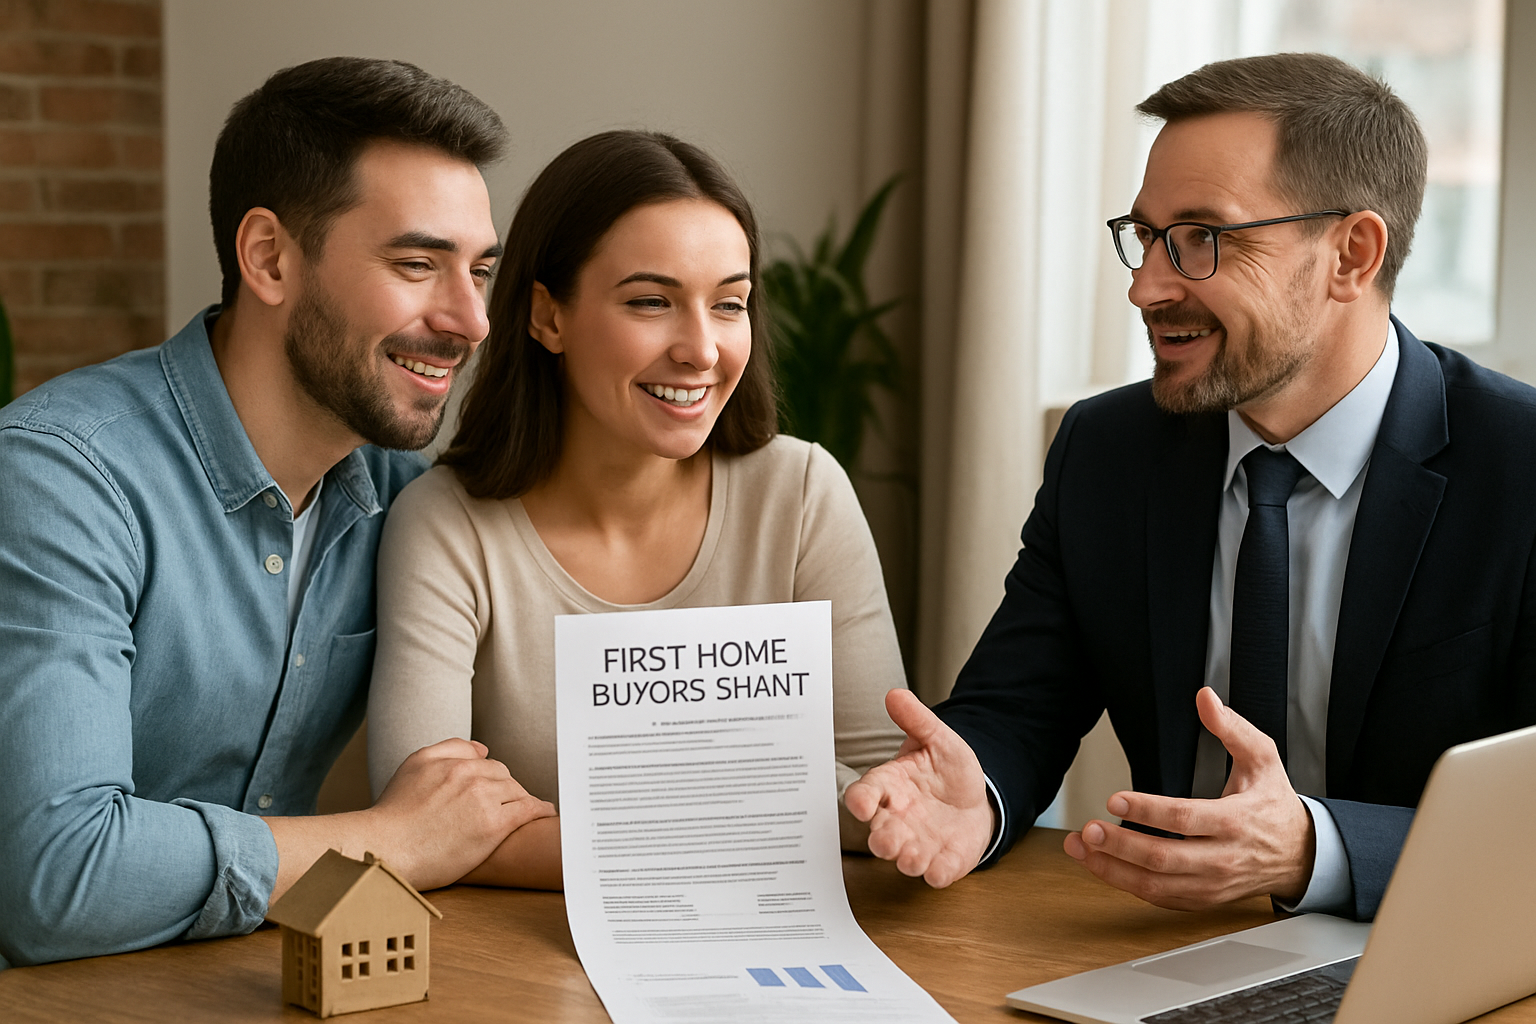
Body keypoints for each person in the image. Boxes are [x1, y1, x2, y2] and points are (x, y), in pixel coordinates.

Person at [846, 52, 1536, 922]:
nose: (1146, 287)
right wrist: (970, 793)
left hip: (1444, 957)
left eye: (1203, 238)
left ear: (1352, 255)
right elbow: (1019, 708)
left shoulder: (1518, 466)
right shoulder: (1107, 451)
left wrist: (1315, 850)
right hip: (1165, 948)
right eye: (1145, 236)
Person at [0, 58, 553, 969]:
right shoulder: (61, 479)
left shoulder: (406, 500)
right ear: (268, 258)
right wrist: (389, 840)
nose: (472, 319)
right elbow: (56, 879)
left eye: (479, 271)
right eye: (417, 264)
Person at [366, 129, 907, 889]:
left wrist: (567, 832)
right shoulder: (446, 525)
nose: (702, 350)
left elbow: (885, 798)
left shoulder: (804, 492)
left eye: (729, 304)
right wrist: (763, 814)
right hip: (525, 951)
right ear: (548, 316)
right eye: (651, 302)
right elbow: (421, 825)